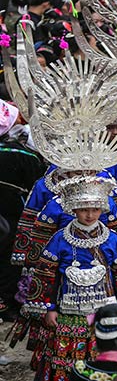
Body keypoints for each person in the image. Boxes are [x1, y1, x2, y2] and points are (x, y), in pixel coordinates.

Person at [23, 175, 117, 381]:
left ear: (103, 209)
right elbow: (47, 276)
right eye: (83, 210)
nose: (89, 215)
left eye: (95, 209)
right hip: (70, 309)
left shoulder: (113, 239)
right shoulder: (60, 239)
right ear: (73, 209)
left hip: (106, 310)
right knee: (72, 354)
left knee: (104, 353)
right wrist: (50, 308)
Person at [0, 100, 46, 319]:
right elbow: (38, 186)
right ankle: (6, 303)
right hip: (15, 217)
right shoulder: (25, 155)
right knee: (10, 259)